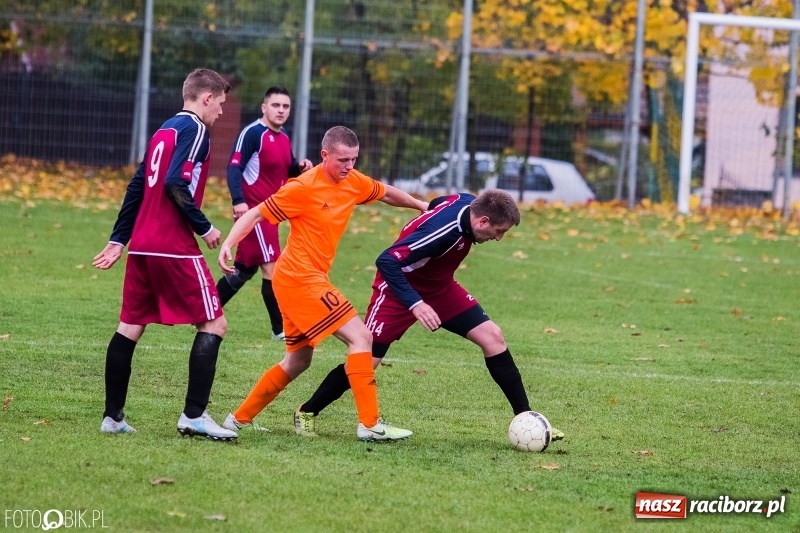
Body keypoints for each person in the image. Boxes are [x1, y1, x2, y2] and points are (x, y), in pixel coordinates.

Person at [292, 190, 565, 441]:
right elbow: (386, 260)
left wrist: (425, 209)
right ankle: (307, 412)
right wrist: (416, 304)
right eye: (498, 231)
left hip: (440, 288)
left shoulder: (466, 201)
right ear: (482, 221)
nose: (498, 238)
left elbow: (437, 202)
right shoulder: (442, 232)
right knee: (366, 359)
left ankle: (527, 419)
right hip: (398, 291)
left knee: (493, 337)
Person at [217, 125, 427, 441]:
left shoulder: (352, 181)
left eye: (354, 159)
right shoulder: (302, 187)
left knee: (298, 360)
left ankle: (238, 419)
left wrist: (421, 205)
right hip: (300, 280)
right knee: (361, 337)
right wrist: (229, 244)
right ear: (324, 155)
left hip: (299, 279)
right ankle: (370, 424)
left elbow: (385, 192)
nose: (349, 166)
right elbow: (256, 215)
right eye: (343, 159)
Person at [92, 68, 237, 441]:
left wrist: (119, 239)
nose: (221, 112)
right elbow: (175, 182)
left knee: (130, 325)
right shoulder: (197, 130)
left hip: (142, 244)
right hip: (172, 247)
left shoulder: (164, 130)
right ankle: (194, 416)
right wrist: (205, 227)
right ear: (206, 98)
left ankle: (113, 417)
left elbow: (138, 184)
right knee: (214, 324)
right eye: (220, 104)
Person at [215, 86, 313, 340]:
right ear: (264, 107)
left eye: (285, 106)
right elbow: (234, 168)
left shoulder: (283, 137)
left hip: (272, 215)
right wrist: (239, 201)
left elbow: (286, 170)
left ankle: (206, 309)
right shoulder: (252, 133)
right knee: (272, 269)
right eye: (276, 105)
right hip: (255, 212)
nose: (281, 110)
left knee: (243, 271)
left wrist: (299, 167)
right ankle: (280, 330)